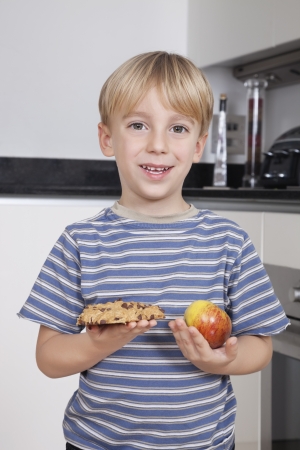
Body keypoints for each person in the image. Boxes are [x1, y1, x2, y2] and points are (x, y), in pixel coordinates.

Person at [18, 51, 289, 450]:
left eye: (177, 128)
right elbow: (49, 358)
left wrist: (222, 360)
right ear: (107, 138)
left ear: (198, 146)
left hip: (205, 443)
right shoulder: (80, 242)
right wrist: (98, 343)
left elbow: (260, 346)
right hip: (97, 443)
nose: (158, 145)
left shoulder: (228, 241)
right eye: (139, 125)